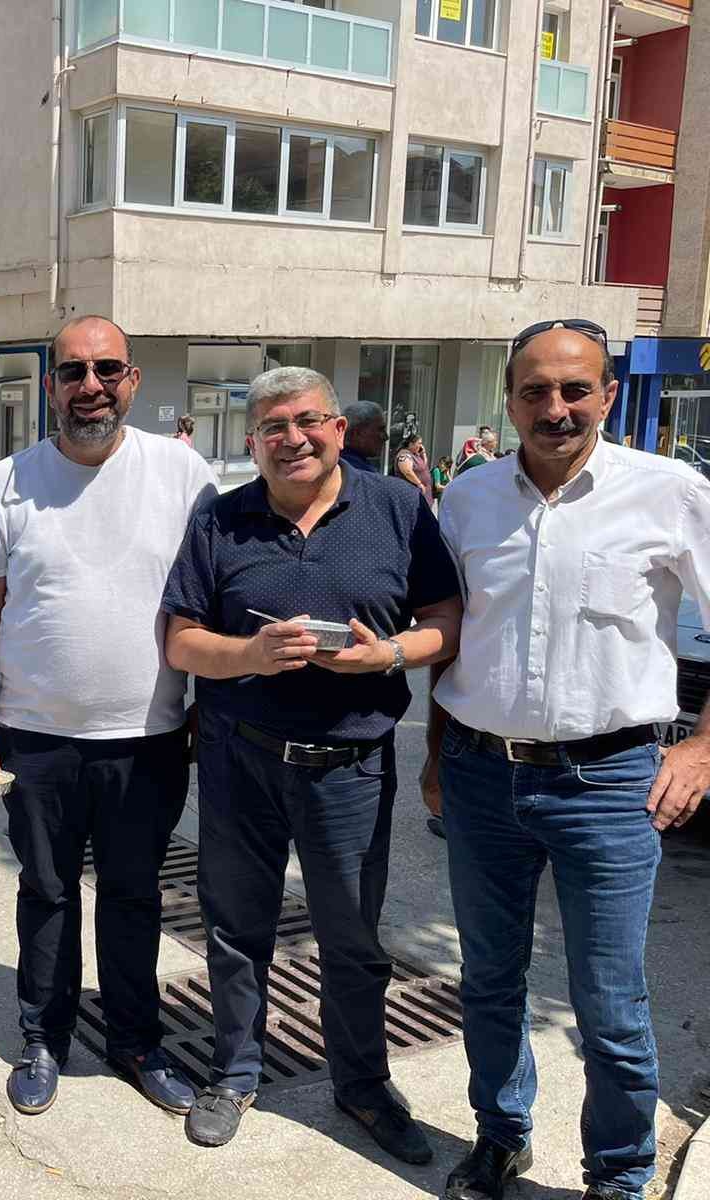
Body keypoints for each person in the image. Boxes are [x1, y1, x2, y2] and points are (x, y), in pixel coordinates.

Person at [424, 319, 710, 1200]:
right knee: (488, 980)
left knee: (609, 1000)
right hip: (480, 773)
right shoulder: (467, 498)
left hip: (610, 783)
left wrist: (704, 747)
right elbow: (451, 637)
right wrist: (435, 756)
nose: (557, 408)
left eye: (576, 389)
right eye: (536, 391)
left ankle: (617, 1175)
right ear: (509, 401)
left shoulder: (670, 491)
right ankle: (500, 1137)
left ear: (609, 394)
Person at [162, 366, 462, 1159]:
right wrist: (250, 653)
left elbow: (447, 619)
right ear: (253, 441)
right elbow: (180, 639)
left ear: (336, 428)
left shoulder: (398, 508)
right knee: (235, 928)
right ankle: (234, 1072)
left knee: (352, 939)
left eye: (306, 421)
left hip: (350, 767)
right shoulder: (220, 518)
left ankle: (362, 1084)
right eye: (272, 427)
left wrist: (385, 656)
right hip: (240, 760)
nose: (291, 438)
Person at [0, 315, 218, 1117]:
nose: (90, 386)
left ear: (132, 380)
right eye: (73, 371)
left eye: (106, 370)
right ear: (51, 386)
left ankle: (137, 1042)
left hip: (148, 737)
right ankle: (44, 1037)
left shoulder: (182, 472)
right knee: (47, 891)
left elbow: (215, 599)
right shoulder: (7, 481)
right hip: (33, 739)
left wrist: (207, 707)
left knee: (134, 896)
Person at [340, 399, 387, 473]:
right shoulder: (355, 470)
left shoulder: (339, 462)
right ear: (357, 433)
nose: (386, 437)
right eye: (380, 429)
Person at [393, 432, 433, 505]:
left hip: (423, 496)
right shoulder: (404, 455)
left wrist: (423, 453)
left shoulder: (415, 454)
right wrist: (419, 484)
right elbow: (407, 471)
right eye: (419, 443)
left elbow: (424, 466)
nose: (421, 446)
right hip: (411, 495)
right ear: (411, 444)